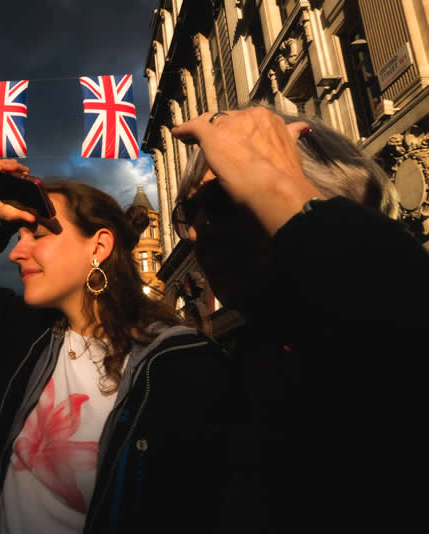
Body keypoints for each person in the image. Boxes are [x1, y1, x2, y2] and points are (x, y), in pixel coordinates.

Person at [0, 158, 253, 533]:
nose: (16, 253)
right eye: (18, 237)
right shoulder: (28, 341)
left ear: (98, 247)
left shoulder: (181, 367)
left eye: (37, 235)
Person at [169, 106, 429, 532]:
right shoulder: (244, 369)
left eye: (219, 199)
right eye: (189, 212)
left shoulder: (386, 307)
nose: (197, 230)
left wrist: (280, 190)